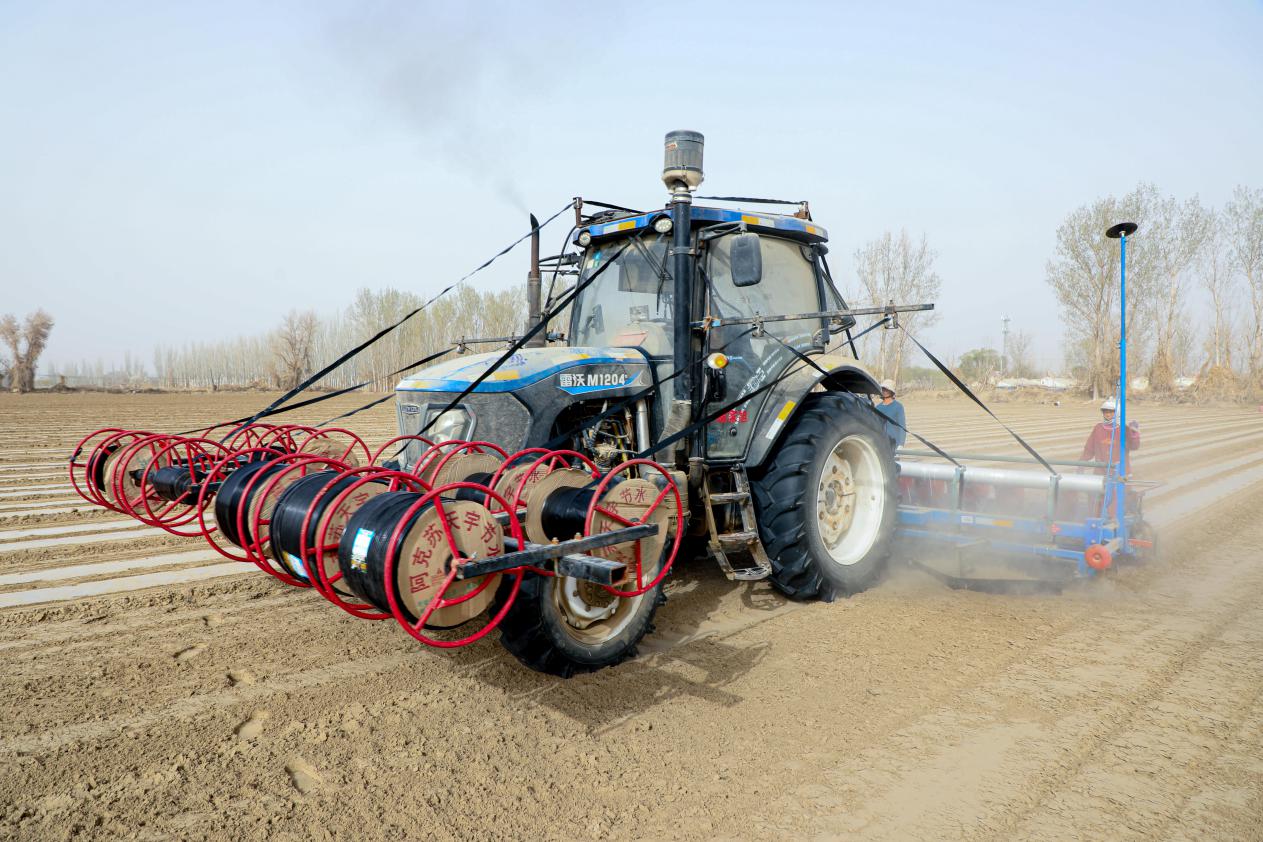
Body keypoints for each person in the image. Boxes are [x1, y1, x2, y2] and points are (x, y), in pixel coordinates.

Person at [1080, 397, 1140, 475]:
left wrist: (1134, 434)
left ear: (1117, 412)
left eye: (1111, 412)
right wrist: (1081, 464)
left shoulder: (1123, 429)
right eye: (1105, 411)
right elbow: (1089, 449)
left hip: (1120, 472)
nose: (1108, 414)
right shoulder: (1098, 428)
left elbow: (1134, 446)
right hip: (1101, 472)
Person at [873, 379, 906, 451]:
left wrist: (901, 444)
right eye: (883, 389)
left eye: (887, 389)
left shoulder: (898, 406)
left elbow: (902, 426)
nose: (884, 391)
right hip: (881, 443)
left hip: (894, 443)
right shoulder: (878, 407)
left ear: (891, 391)